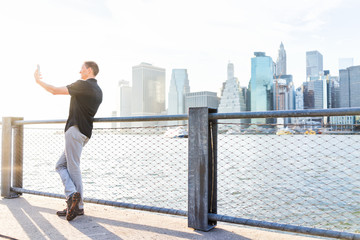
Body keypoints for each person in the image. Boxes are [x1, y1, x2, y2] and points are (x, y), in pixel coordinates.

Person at [34, 61, 103, 221]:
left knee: (73, 167)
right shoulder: (98, 90)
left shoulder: (83, 85)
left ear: (89, 70)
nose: (79, 72)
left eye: (82, 68)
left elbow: (54, 91)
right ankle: (73, 200)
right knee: (60, 165)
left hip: (75, 130)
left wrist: (38, 81)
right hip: (84, 133)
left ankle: (76, 203)